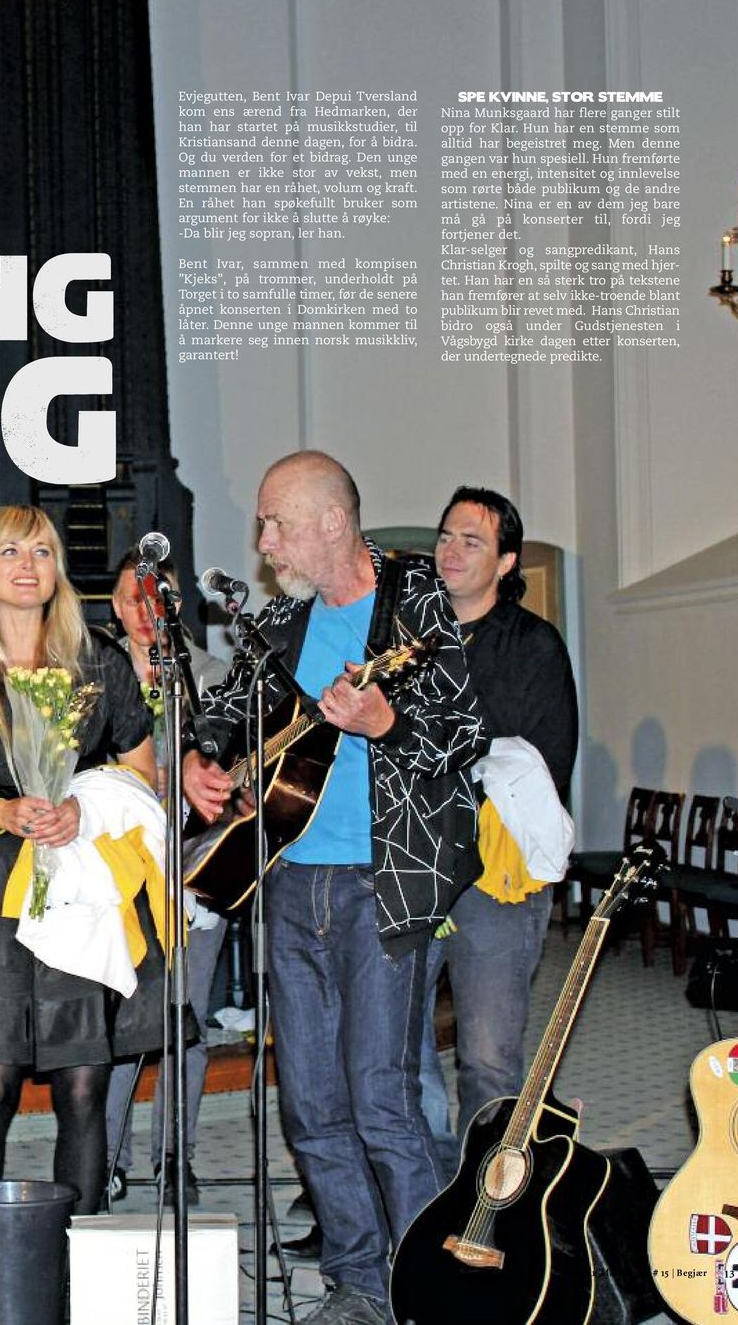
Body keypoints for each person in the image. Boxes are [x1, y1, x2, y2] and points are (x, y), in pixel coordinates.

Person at [182, 451, 482, 1325]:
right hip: (287, 880)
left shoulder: (415, 602)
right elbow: (225, 710)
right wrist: (205, 762)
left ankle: (434, 1287)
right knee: (311, 1105)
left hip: (381, 886)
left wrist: (387, 720)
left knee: (380, 1098)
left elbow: (461, 734)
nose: (264, 540)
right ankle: (359, 1283)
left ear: (332, 523)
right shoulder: (284, 622)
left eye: (276, 523)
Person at [0, 505, 159, 1217]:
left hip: (80, 875)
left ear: (57, 571)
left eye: (43, 553)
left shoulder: (100, 662)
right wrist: (0, 813)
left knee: (84, 1084)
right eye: (11, 552)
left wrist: (84, 806)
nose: (29, 566)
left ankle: (77, 1258)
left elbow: (141, 774)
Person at [419, 487, 578, 1169]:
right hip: (413, 864)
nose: (451, 551)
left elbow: (540, 764)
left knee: (486, 1058)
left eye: (472, 541)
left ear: (507, 560)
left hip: (494, 874)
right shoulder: (410, 639)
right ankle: (417, 1196)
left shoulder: (534, 646)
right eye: (447, 536)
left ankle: (483, 1205)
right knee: (397, 1053)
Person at [103, 551, 228, 1206]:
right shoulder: (94, 672)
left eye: (160, 600)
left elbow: (231, 767)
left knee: (189, 1021)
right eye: (134, 599)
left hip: (194, 863)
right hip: (117, 871)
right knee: (122, 1024)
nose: (148, 612)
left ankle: (176, 1158)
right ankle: (109, 1158)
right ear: (117, 608)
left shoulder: (210, 675)